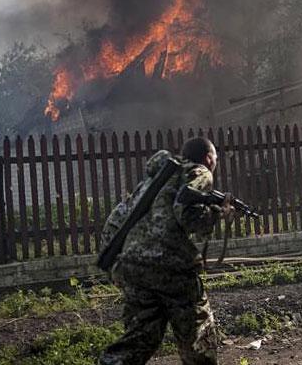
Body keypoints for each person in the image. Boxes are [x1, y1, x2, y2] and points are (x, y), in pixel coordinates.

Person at [99, 137, 232, 365]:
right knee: (198, 334)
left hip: (131, 265)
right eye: (215, 159)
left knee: (141, 337)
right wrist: (218, 213)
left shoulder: (156, 178)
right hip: (170, 267)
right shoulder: (199, 172)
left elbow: (119, 215)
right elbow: (189, 217)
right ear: (209, 158)